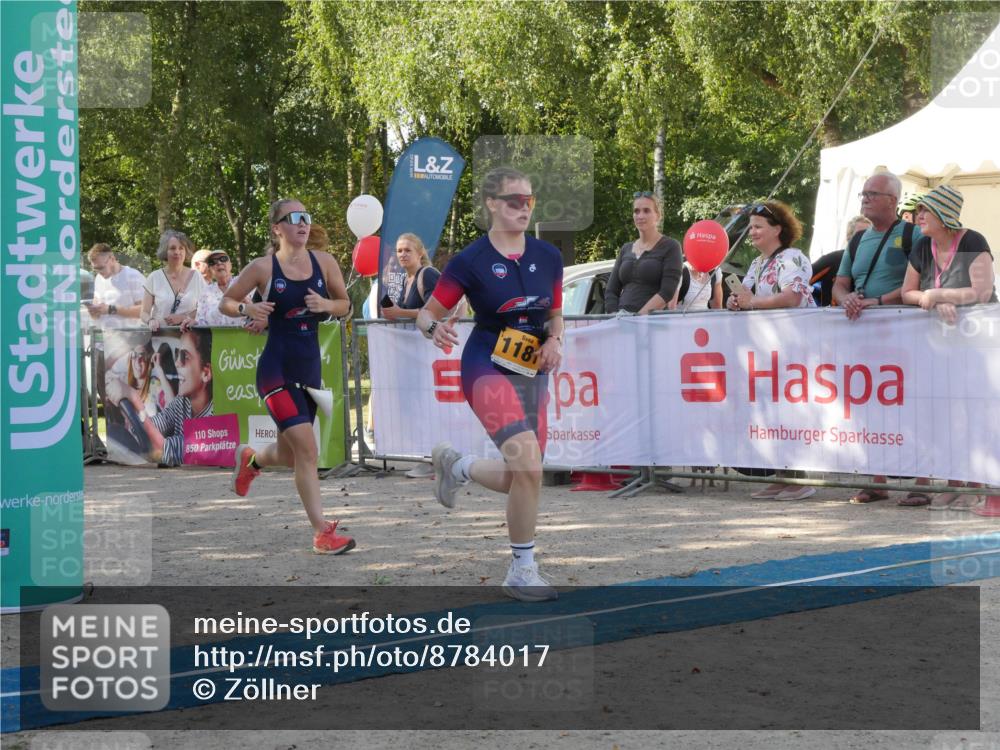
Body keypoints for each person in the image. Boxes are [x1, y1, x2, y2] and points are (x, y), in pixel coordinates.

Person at [416, 167, 563, 602]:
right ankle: (522, 570)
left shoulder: (548, 256)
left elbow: (555, 313)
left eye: (529, 200)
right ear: (493, 205)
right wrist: (432, 330)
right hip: (486, 366)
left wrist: (556, 339)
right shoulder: (470, 261)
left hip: (530, 368)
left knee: (525, 475)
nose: (523, 207)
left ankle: (458, 467)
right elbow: (428, 312)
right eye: (514, 200)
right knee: (530, 468)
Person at [222, 199, 355, 555]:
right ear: (277, 228)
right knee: (308, 450)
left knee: (290, 453)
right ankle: (322, 533)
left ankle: (252, 460)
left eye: (307, 217)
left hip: (308, 371)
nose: (303, 223)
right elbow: (226, 301)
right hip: (275, 370)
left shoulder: (324, 263)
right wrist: (246, 308)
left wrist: (327, 306)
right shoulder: (262, 267)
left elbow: (346, 304)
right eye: (294, 218)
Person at [895, 185, 996, 510]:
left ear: (944, 215)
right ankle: (955, 482)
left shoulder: (972, 241)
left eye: (925, 211)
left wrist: (938, 295)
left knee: (976, 411)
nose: (918, 217)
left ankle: (980, 485)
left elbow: (982, 291)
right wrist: (933, 301)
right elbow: (907, 292)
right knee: (948, 413)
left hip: (979, 340)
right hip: (940, 344)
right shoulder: (923, 246)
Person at [726, 200, 816, 501]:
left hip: (792, 346)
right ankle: (782, 474)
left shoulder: (793, 257)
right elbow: (747, 295)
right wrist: (736, 302)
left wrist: (752, 303)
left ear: (778, 229)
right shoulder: (756, 263)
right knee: (770, 411)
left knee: (790, 411)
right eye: (751, 227)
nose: (752, 233)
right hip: (766, 349)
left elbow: (793, 295)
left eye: (758, 227)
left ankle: (800, 477)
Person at [380, 233, 443, 478]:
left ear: (420, 253)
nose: (402, 254)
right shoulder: (406, 280)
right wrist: (394, 313)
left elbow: (435, 310)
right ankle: (426, 456)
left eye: (407, 250)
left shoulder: (427, 274)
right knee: (416, 408)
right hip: (413, 357)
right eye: (399, 251)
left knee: (429, 407)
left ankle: (433, 459)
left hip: (429, 354)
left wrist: (399, 312)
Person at [110, 329, 213, 466]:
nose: (177, 363)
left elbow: (167, 450)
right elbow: (157, 423)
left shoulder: (215, 413)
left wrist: (134, 400)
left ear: (205, 374)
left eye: (184, 357)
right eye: (177, 354)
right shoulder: (182, 402)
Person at [832, 172, 921, 319]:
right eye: (863, 194)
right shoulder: (857, 239)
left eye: (872, 194)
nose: (864, 200)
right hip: (860, 326)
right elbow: (840, 285)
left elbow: (923, 284)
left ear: (892, 201)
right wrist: (846, 300)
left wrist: (877, 301)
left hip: (901, 327)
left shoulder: (914, 235)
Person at [85, 243, 146, 411]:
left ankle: (133, 426)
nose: (99, 272)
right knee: (103, 388)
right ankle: (114, 428)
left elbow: (144, 310)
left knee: (128, 392)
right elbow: (100, 311)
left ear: (112, 258)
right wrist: (94, 310)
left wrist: (111, 309)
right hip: (104, 341)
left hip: (127, 345)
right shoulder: (99, 279)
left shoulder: (133, 276)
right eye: (95, 269)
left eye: (101, 268)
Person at [604, 191, 683, 314]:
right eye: (636, 211)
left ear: (658, 215)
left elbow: (667, 292)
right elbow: (611, 290)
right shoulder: (626, 248)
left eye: (646, 211)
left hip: (653, 325)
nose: (640, 216)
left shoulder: (671, 246)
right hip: (621, 324)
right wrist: (615, 317)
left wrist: (637, 319)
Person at [142, 230, 205, 331]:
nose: (177, 252)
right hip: (161, 338)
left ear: (186, 251)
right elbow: (144, 312)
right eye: (172, 248)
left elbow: (205, 308)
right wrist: (150, 320)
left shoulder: (196, 276)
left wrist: (184, 318)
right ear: (165, 252)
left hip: (190, 337)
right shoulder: (154, 277)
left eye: (181, 248)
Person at [810, 215, 871, 307]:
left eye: (870, 235)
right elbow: (801, 280)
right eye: (860, 235)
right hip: (830, 318)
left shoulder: (878, 263)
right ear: (848, 237)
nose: (865, 239)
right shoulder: (833, 259)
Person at [186, 250, 255, 329]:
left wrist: (248, 304)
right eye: (212, 262)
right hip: (217, 340)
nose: (218, 263)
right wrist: (193, 323)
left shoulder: (245, 282)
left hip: (246, 336)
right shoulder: (205, 292)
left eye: (223, 259)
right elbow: (201, 322)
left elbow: (259, 309)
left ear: (230, 265)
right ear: (210, 269)